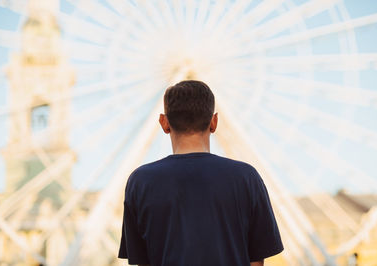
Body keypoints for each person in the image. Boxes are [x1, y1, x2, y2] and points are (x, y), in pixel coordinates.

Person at [118, 80, 283, 266]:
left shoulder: (140, 182)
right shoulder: (246, 177)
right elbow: (256, 261)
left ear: (164, 123)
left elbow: (143, 261)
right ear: (214, 122)